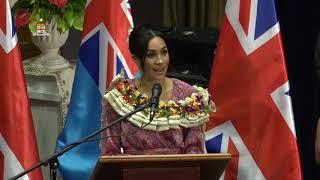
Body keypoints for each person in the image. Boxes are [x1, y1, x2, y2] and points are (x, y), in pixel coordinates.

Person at [100, 25, 215, 155]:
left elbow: (195, 150)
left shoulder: (187, 94)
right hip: (132, 173)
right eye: (151, 55)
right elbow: (110, 152)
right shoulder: (120, 97)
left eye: (164, 52)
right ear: (135, 59)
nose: (160, 61)